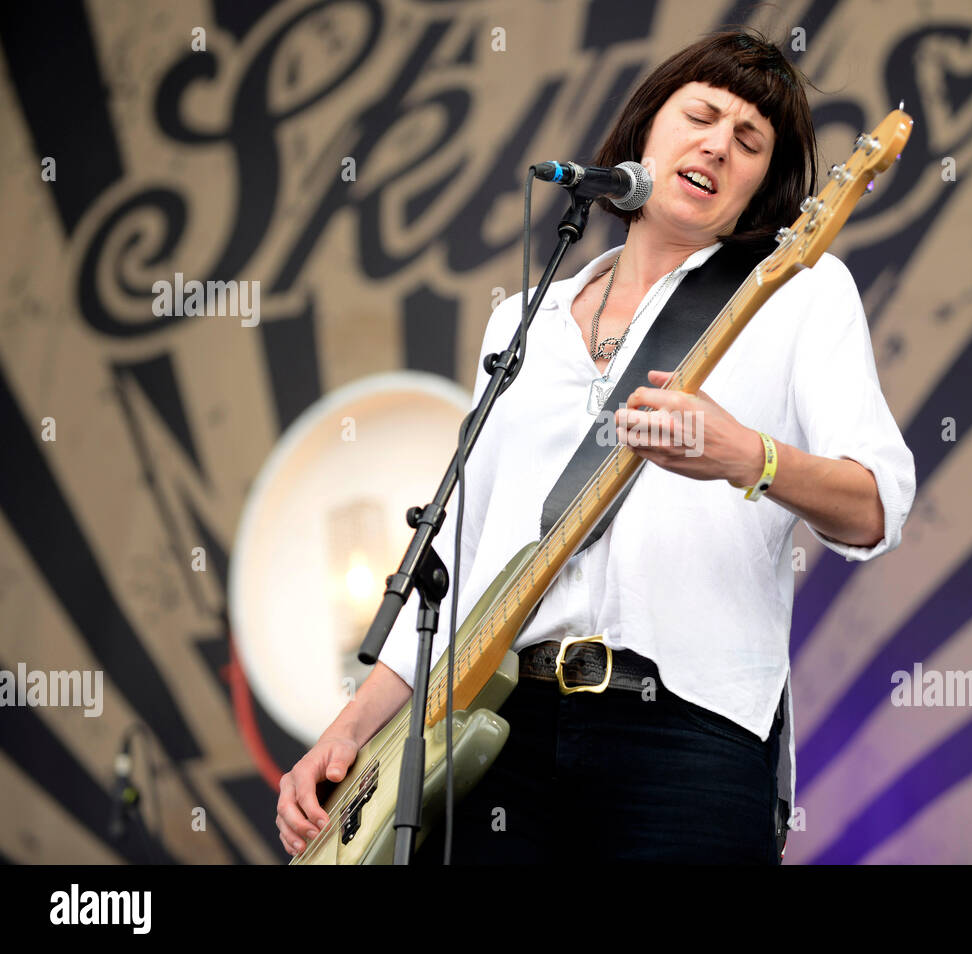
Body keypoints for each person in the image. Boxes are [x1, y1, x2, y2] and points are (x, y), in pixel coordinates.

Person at [276, 28, 915, 864]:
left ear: (762, 183)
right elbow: (464, 563)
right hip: (500, 730)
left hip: (687, 731)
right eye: (703, 115)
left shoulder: (797, 290)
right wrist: (354, 725)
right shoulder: (524, 323)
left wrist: (749, 457)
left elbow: (876, 507)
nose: (718, 144)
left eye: (749, 141)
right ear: (647, 128)